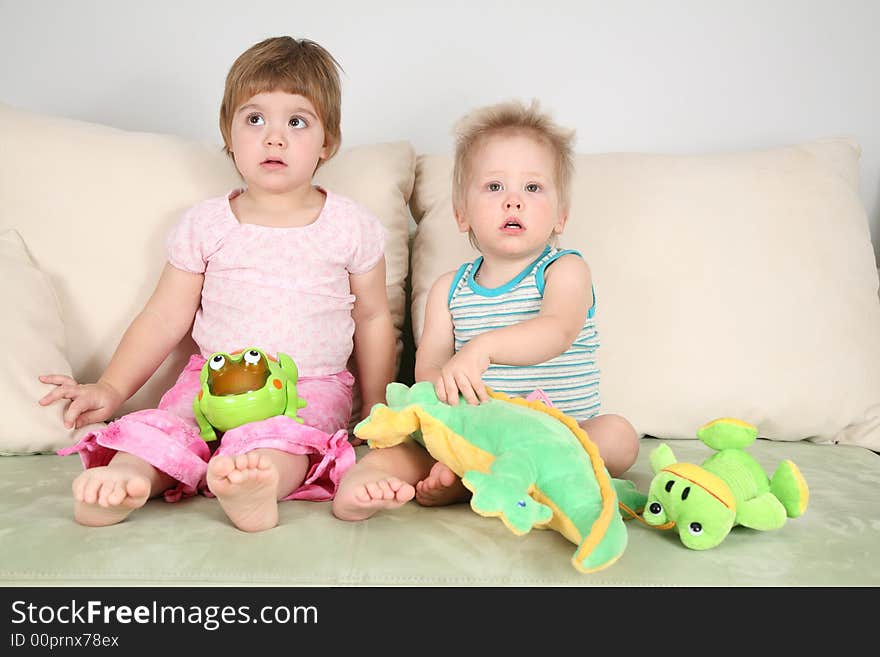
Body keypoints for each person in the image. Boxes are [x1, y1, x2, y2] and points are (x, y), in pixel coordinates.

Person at [38, 36, 396, 532]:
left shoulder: (350, 225)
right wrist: (112, 387)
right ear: (229, 135)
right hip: (210, 381)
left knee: (285, 440)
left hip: (307, 387)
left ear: (327, 141)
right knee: (165, 428)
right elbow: (164, 317)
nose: (274, 138)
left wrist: (379, 409)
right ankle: (126, 480)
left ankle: (257, 484)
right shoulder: (206, 224)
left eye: (297, 121)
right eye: (254, 119)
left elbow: (374, 317)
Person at [332, 99, 639, 521]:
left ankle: (475, 482)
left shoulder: (565, 270)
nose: (513, 201)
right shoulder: (448, 290)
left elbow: (557, 331)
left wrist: (483, 348)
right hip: (475, 434)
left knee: (619, 437)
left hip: (558, 435)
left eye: (532, 188)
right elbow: (430, 368)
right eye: (494, 187)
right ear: (462, 214)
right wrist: (447, 400)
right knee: (400, 450)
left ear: (561, 215)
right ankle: (362, 487)